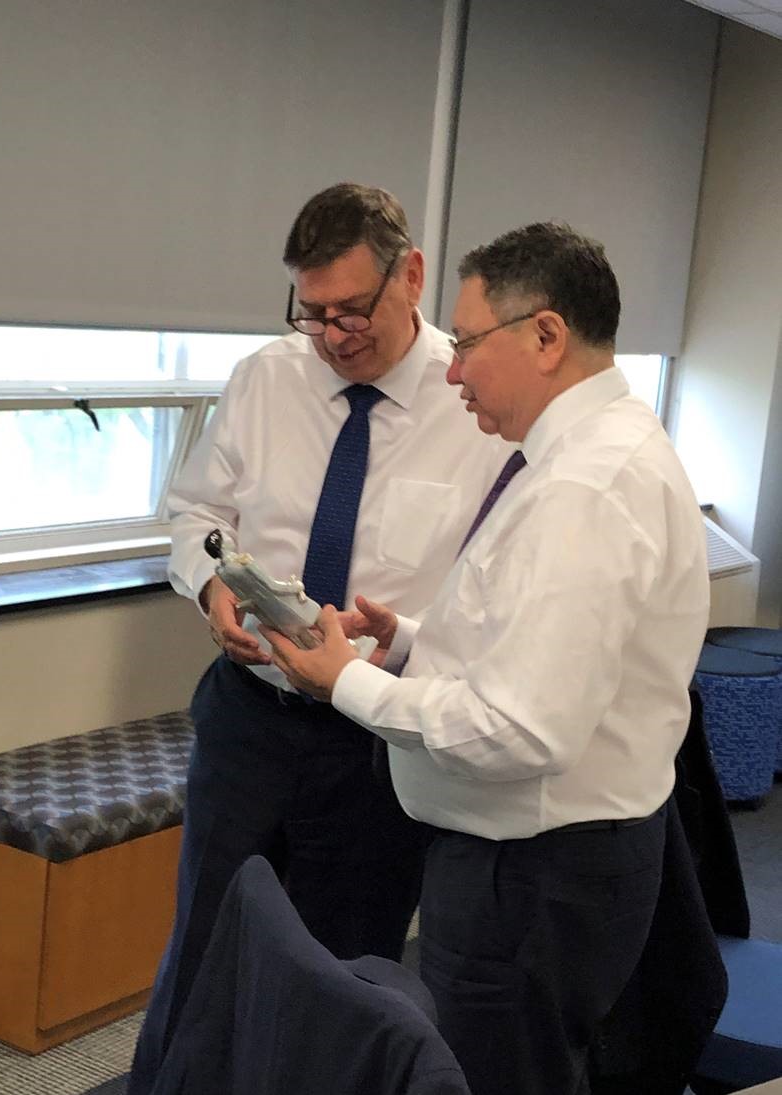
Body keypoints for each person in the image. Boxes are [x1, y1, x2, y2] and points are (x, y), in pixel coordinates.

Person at [264, 222, 711, 1095]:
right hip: (556, 858)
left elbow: (519, 727)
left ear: (546, 336)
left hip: (533, 872)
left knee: (498, 1076)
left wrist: (345, 680)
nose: (453, 368)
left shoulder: (583, 489)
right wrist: (411, 641)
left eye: (467, 342)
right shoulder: (595, 452)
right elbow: (551, 653)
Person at [127, 183, 508, 1095]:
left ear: (410, 277)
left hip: (374, 743)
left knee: (342, 978)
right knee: (205, 945)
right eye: (314, 314)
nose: (334, 335)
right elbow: (196, 513)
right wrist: (212, 582)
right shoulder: (267, 378)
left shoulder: (479, 409)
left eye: (354, 310)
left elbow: (493, 591)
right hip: (249, 719)